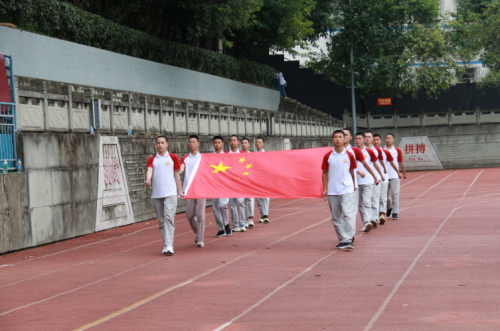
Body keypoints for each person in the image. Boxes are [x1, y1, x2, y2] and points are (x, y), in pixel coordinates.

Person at [145, 136, 183, 255]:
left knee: (168, 217)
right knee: (161, 221)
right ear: (156, 145)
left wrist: (180, 191)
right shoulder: (152, 159)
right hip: (157, 194)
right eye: (158, 143)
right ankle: (166, 243)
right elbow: (150, 170)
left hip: (170, 193)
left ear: (167, 144)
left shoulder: (173, 157)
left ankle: (169, 245)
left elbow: (177, 176)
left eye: (162, 143)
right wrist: (148, 179)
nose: (160, 145)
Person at [322, 130, 357, 250]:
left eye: (340, 137)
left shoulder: (349, 155)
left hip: (347, 189)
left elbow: (352, 172)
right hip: (333, 190)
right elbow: (324, 172)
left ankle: (348, 239)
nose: (338, 139)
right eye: (335, 137)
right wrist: (325, 188)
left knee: (348, 214)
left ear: (344, 139)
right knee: (336, 217)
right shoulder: (328, 156)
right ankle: (342, 239)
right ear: (332, 140)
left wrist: (354, 185)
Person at [342, 128, 375, 239]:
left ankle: (352, 232)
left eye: (345, 135)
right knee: (341, 214)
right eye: (341, 135)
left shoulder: (355, 151)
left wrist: (376, 176)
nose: (343, 137)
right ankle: (346, 233)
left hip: (354, 185)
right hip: (339, 188)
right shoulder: (332, 152)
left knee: (354, 209)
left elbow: (367, 165)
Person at [180, 135, 206, 248]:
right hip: (188, 189)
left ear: (198, 144)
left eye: (194, 142)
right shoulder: (185, 158)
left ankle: (200, 238)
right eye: (190, 142)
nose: (191, 144)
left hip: (201, 189)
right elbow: (181, 169)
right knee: (189, 214)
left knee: (200, 215)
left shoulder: (203, 158)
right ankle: (197, 231)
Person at [354, 132, 380, 233]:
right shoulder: (352, 151)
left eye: (360, 139)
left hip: (368, 181)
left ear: (363, 140)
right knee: (360, 204)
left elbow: (374, 165)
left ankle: (367, 221)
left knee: (366, 202)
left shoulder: (369, 152)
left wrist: (377, 177)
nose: (358, 141)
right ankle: (366, 221)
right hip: (356, 181)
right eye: (356, 139)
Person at [373, 134, 401, 224]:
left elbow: (393, 163)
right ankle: (388, 207)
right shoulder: (369, 151)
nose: (375, 141)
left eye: (377, 140)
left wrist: (399, 172)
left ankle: (393, 212)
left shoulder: (386, 151)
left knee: (393, 194)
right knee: (381, 196)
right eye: (374, 140)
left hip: (389, 176)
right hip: (375, 177)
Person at [364, 131, 386, 227]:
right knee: (366, 200)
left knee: (375, 198)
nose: (367, 138)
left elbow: (379, 163)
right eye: (366, 137)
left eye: (369, 137)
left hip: (376, 178)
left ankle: (374, 218)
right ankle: (368, 219)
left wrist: (381, 174)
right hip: (365, 179)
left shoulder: (377, 150)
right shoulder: (360, 150)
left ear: (372, 139)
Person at [211, 136, 232, 237]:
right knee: (215, 208)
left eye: (219, 142)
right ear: (213, 144)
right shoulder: (209, 157)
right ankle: (220, 229)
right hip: (213, 185)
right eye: (215, 143)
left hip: (224, 185)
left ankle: (227, 224)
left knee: (222, 205)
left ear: (223, 144)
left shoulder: (227, 156)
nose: (217, 144)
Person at [225, 135, 246, 232]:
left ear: (238, 142)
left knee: (240, 202)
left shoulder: (243, 154)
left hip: (240, 182)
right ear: (229, 142)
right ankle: (235, 225)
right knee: (232, 204)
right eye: (231, 141)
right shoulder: (225, 154)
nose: (233, 142)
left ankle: (242, 223)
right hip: (230, 182)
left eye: (234, 140)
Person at [385, 133, 407, 220]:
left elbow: (401, 162)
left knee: (395, 194)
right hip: (385, 175)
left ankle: (395, 212)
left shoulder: (397, 150)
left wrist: (404, 172)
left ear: (393, 140)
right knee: (385, 196)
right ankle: (389, 206)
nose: (388, 140)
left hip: (394, 175)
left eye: (390, 138)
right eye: (386, 138)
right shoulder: (382, 150)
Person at [241, 137, 255, 229]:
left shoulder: (252, 155)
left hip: (250, 180)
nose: (244, 145)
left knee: (250, 199)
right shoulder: (238, 155)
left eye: (246, 143)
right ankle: (244, 219)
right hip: (241, 179)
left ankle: (250, 218)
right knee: (242, 200)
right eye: (242, 143)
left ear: (249, 144)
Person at [255, 137, 270, 223]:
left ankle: (266, 215)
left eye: (260, 142)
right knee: (259, 197)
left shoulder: (267, 154)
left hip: (265, 178)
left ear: (263, 144)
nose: (258, 144)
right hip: (257, 178)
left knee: (266, 197)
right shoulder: (252, 154)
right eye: (256, 142)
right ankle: (262, 215)